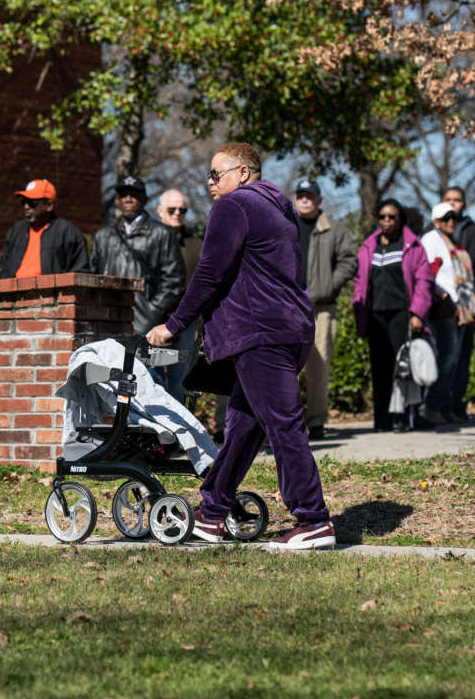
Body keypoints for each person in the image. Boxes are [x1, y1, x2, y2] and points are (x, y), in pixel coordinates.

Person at [146, 143, 334, 550]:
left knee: (284, 426)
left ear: (244, 173)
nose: (210, 182)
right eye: (210, 175)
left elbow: (210, 273)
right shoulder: (279, 209)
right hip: (289, 330)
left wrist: (174, 325)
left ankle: (313, 519)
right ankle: (212, 513)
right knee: (243, 428)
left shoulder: (234, 207)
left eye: (217, 174)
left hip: (260, 333)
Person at [351, 199, 434, 432]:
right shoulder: (369, 246)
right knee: (380, 368)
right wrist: (359, 313)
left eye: (392, 217)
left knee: (403, 369)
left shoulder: (412, 246)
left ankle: (404, 417)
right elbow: (360, 282)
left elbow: (424, 282)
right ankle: (382, 420)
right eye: (383, 217)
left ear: (400, 220)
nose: (386, 221)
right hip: (376, 315)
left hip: (402, 314)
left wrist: (417, 312)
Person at [292, 178, 358, 441]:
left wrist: (328, 286)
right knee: (285, 370)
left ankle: (317, 423)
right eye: (300, 195)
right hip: (288, 309)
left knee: (318, 368)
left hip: (322, 309)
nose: (305, 199)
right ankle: (288, 424)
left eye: (310, 195)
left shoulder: (335, 229)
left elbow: (349, 260)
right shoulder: (285, 225)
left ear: (319, 199)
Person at [91, 175, 185, 336]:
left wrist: (152, 312)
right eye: (123, 195)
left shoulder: (162, 233)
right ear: (118, 200)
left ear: (145, 199)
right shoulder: (103, 235)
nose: (128, 199)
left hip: (144, 326)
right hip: (107, 322)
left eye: (133, 194)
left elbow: (174, 281)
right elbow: (92, 275)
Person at [420, 202, 475, 425]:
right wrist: (439, 293)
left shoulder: (454, 243)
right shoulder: (431, 241)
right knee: (445, 357)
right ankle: (431, 405)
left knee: (455, 360)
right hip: (441, 308)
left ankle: (445, 406)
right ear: (436, 222)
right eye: (446, 219)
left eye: (454, 218)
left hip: (459, 309)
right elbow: (426, 272)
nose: (451, 223)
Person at [441, 186, 475, 422]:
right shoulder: (433, 233)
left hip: (467, 305)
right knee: (444, 355)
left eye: (457, 200)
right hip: (441, 305)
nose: (453, 204)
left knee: (462, 357)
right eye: (448, 200)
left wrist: (464, 279)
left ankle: (456, 405)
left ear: (465, 203)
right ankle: (438, 405)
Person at [156, 189, 203, 402]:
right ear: (160, 211)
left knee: (180, 381)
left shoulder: (195, 245)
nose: (177, 213)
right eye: (171, 209)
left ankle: (180, 432)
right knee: (151, 379)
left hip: (185, 321)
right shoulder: (149, 241)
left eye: (182, 210)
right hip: (153, 318)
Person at [0, 179, 88, 278]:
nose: (26, 207)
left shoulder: (67, 232)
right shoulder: (16, 231)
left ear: (49, 205)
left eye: (32, 203)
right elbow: (4, 267)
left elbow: (80, 272)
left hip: (49, 293)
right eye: (23, 202)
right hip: (16, 293)